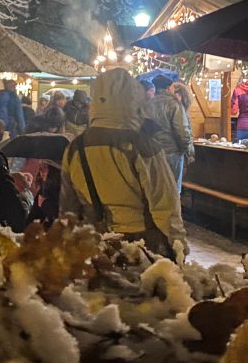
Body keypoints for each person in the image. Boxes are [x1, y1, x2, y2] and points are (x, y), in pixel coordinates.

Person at [60, 68, 185, 258]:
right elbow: (165, 205)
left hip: (94, 245)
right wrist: (178, 247)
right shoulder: (143, 145)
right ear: (132, 99)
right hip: (141, 246)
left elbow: (69, 208)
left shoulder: (75, 148)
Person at [144, 75, 194, 205]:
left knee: (156, 188)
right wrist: (188, 151)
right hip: (172, 152)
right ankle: (173, 220)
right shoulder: (173, 104)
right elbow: (182, 131)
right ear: (168, 87)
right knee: (173, 189)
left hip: (152, 152)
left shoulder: (149, 104)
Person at [27, 161, 61, 226]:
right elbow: (34, 216)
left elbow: (60, 216)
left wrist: (44, 203)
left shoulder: (62, 190)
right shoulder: (43, 190)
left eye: (45, 167)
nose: (41, 171)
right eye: (40, 168)